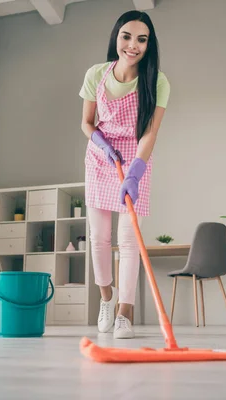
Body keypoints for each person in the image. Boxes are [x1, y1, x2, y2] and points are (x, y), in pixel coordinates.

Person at [79, 10, 170, 339]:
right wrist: (99, 142)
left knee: (129, 241)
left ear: (149, 44)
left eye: (141, 39)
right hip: (101, 157)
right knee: (99, 239)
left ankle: (125, 314)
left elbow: (150, 132)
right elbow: (86, 122)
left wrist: (135, 172)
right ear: (116, 38)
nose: (133, 45)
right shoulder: (96, 74)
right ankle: (107, 298)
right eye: (127, 36)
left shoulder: (157, 81)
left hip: (135, 159)